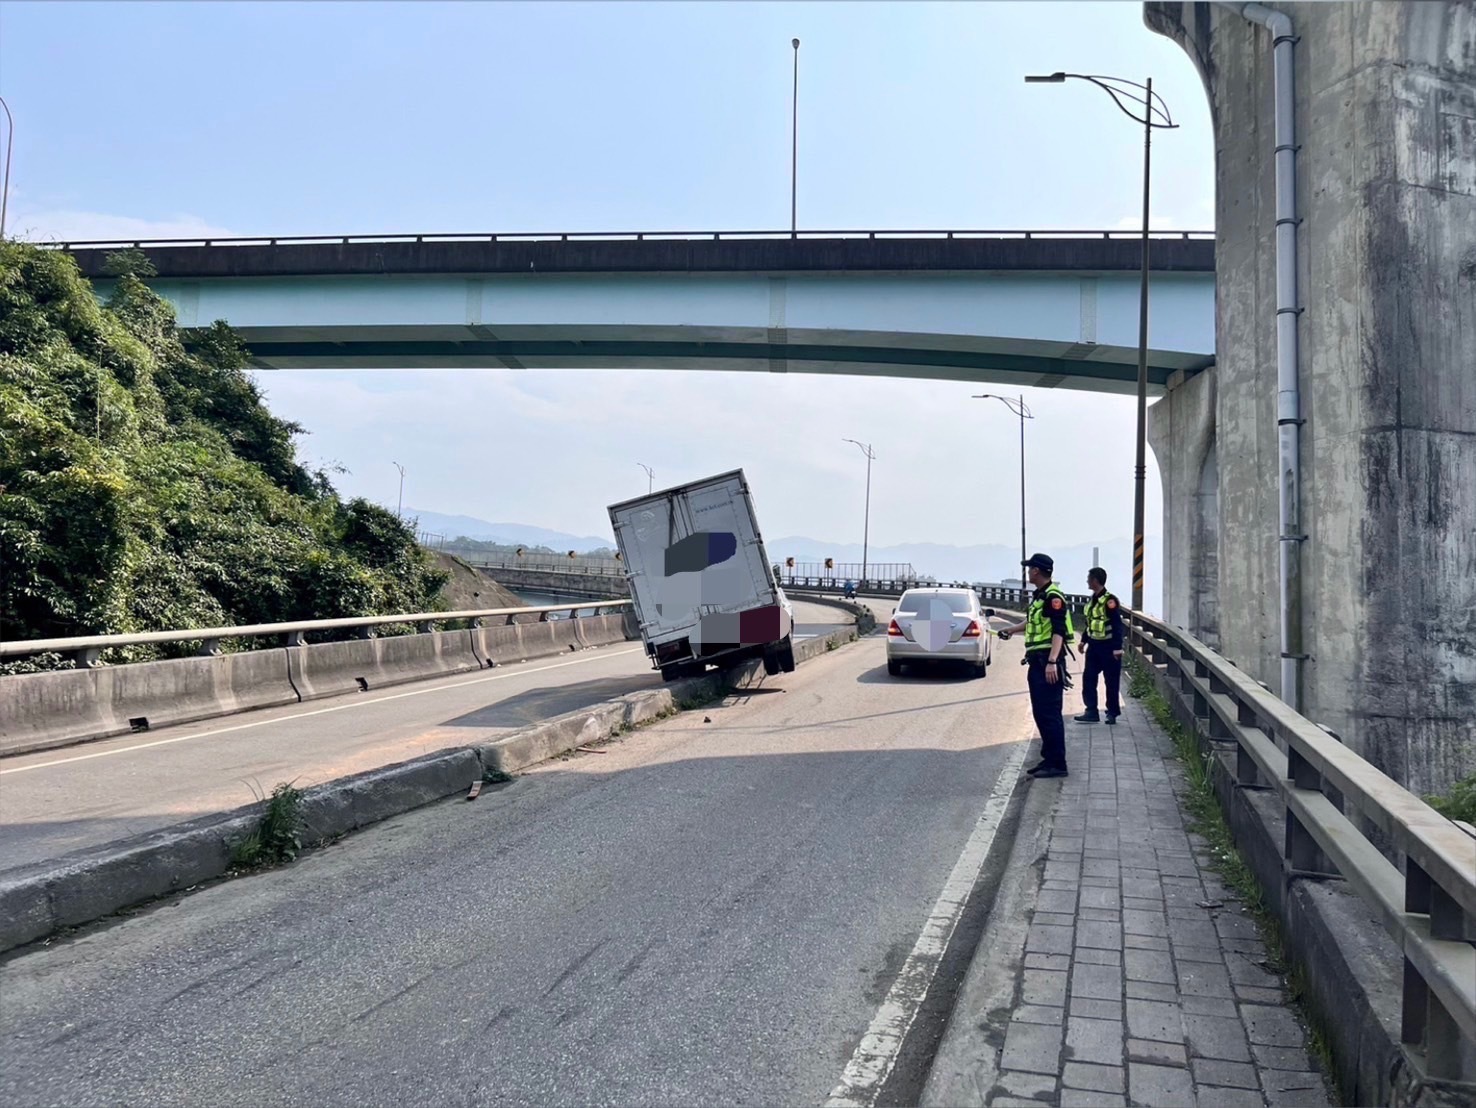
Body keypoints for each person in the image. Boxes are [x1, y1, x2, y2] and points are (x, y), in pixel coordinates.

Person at [997, 553, 1074, 778]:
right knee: (1041, 713)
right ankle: (1048, 758)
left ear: (1037, 571)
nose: (1027, 571)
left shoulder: (1053, 597)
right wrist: (1011, 630)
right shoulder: (1040, 596)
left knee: (1050, 714)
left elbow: (1059, 631)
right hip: (1037, 663)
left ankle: (1058, 764)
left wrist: (1052, 661)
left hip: (1047, 664)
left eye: (1030, 568)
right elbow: (1032, 622)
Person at [1076, 567, 1124, 725]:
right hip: (1094, 646)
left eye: (1089, 578)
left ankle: (1112, 713)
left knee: (1111, 681)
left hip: (1109, 647)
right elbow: (1090, 623)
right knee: (1088, 678)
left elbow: (1117, 625)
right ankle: (1091, 711)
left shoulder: (1110, 601)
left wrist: (1118, 648)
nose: (1087, 581)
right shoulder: (1092, 601)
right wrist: (1083, 640)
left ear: (1095, 580)